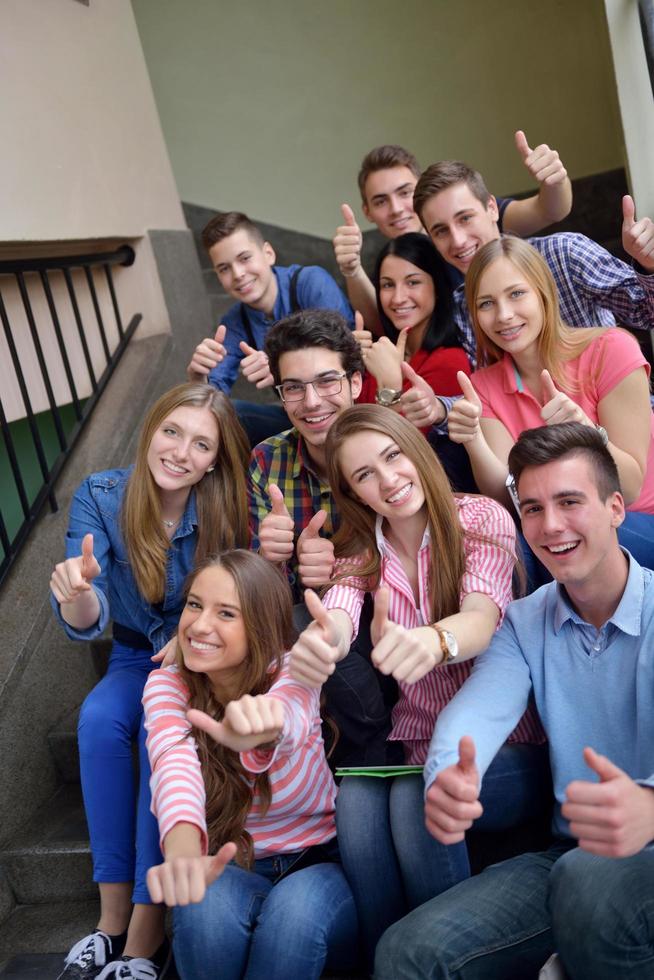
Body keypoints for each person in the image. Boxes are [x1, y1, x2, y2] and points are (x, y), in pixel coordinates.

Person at [376, 422, 654, 980]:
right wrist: (449, 774)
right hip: (570, 855)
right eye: (532, 508)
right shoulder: (526, 621)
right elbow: (475, 711)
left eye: (569, 502)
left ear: (616, 507)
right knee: (404, 953)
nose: (550, 526)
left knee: (589, 886)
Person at [289, 405, 548, 967]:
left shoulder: (479, 518)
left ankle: (445, 958)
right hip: (416, 742)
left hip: (505, 748)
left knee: (416, 796)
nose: (387, 480)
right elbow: (337, 619)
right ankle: (388, 961)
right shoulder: (360, 556)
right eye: (364, 475)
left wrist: (434, 642)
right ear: (352, 492)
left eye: (392, 456)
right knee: (356, 805)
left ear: (417, 450)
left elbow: (481, 617)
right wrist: (323, 644)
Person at [49, 383, 250, 980]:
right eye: (172, 432)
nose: (181, 452)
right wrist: (82, 596)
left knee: (157, 735)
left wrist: (189, 646)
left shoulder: (228, 506)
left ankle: (145, 926)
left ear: (214, 459)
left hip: (203, 659)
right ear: (149, 429)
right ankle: (109, 921)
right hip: (136, 654)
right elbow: (88, 622)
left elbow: (236, 605)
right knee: (100, 720)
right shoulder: (102, 495)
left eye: (200, 444)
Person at [143, 550, 357, 980]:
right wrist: (184, 855)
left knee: (291, 920)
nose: (200, 625)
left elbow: (289, 716)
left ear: (259, 626)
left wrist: (261, 732)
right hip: (232, 863)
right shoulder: (167, 683)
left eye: (226, 613)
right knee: (201, 910)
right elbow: (173, 763)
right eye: (194, 605)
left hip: (317, 862)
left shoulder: (293, 670)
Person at [447, 236, 654, 568]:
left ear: (544, 293)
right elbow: (506, 497)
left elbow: (628, 490)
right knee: (506, 546)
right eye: (486, 303)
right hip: (553, 530)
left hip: (633, 520)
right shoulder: (482, 385)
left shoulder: (612, 349)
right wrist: (473, 441)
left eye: (516, 294)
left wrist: (586, 433)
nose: (503, 315)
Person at [249, 309, 397, 765]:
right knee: (296, 618)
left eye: (327, 382)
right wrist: (277, 559)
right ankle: (376, 747)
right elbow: (270, 591)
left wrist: (344, 566)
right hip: (325, 633)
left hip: (398, 613)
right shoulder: (267, 461)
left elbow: (420, 548)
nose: (311, 401)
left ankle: (382, 745)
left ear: (355, 383)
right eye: (293, 387)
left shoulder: (391, 445)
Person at [405, 161, 654, 431]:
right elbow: (490, 397)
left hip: (627, 427)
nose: (458, 240)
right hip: (549, 450)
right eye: (441, 231)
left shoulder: (564, 253)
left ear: (491, 208)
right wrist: (440, 408)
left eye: (465, 218)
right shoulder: (462, 305)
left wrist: (649, 265)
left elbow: (646, 313)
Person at [333, 136, 572, 331]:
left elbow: (548, 210)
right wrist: (352, 269)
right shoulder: (393, 263)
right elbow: (386, 324)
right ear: (368, 212)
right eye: (381, 201)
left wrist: (555, 181)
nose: (396, 209)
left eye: (405, 192)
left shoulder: (476, 216)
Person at [187, 211, 353, 446]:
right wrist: (198, 379)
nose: (238, 274)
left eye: (244, 258)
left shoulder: (310, 282)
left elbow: (350, 356)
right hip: (298, 415)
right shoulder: (235, 322)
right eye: (224, 268)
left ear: (268, 253)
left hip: (347, 404)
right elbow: (212, 396)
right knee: (226, 414)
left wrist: (279, 367)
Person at [355, 232, 474, 489]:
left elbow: (406, 457)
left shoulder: (450, 361)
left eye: (413, 282)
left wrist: (389, 383)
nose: (398, 298)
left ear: (438, 287)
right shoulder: (381, 353)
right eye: (387, 285)